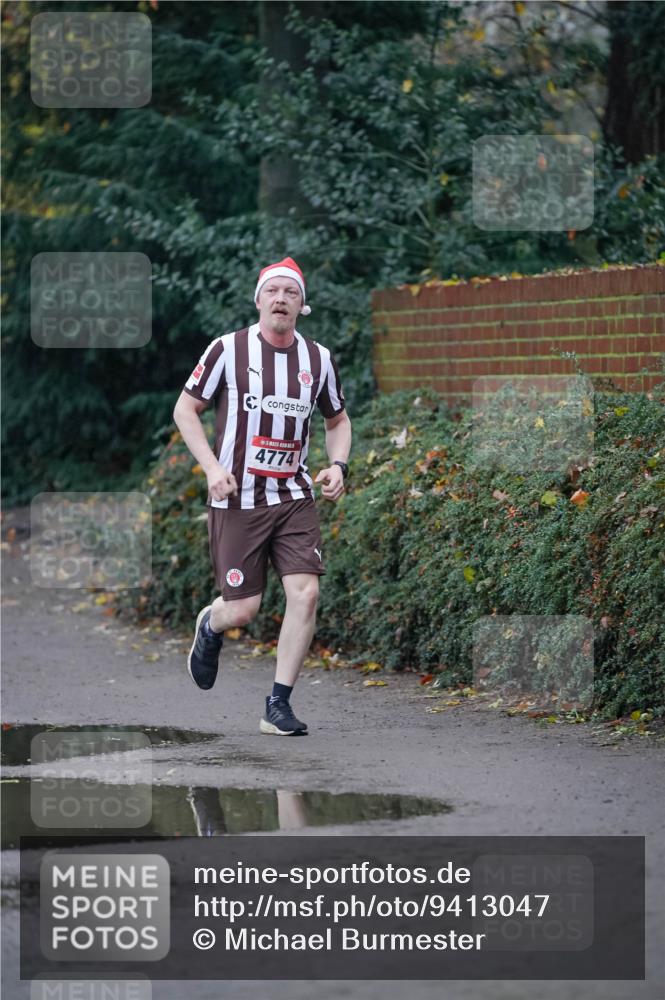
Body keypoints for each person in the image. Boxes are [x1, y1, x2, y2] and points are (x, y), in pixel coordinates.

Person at [173, 257, 352, 736]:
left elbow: (338, 420)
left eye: (290, 293)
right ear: (258, 300)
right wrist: (211, 468)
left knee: (307, 593)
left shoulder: (319, 360)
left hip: (293, 495)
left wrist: (338, 465)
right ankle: (211, 624)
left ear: (301, 304)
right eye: (272, 291)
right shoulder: (227, 350)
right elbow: (185, 409)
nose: (280, 299)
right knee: (244, 609)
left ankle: (278, 704)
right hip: (237, 499)